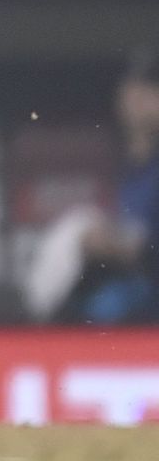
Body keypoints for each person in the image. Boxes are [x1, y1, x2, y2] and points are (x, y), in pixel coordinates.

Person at [57, 44, 159, 323]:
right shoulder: (129, 168)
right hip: (124, 320)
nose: (140, 98)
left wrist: (130, 249)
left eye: (151, 89)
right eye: (135, 88)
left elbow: (141, 248)